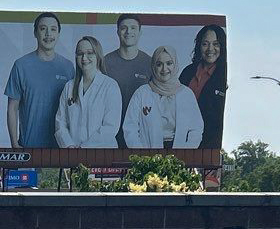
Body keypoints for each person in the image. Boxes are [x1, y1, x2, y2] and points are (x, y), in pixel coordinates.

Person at [5, 13, 76, 149]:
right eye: (43, 29)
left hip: (62, 148)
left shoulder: (68, 67)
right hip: (29, 147)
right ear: (35, 33)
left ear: (58, 33)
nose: (48, 34)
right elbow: (12, 108)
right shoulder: (21, 65)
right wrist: (14, 143)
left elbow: (74, 110)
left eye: (53, 29)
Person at [120, 46, 204, 149]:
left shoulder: (186, 94)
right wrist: (142, 154)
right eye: (159, 64)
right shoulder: (142, 93)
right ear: (153, 67)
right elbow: (130, 128)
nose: (164, 69)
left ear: (175, 65)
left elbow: (196, 128)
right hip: (147, 157)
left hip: (180, 156)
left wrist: (186, 153)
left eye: (169, 63)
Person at [53, 36, 121, 149]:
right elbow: (60, 122)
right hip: (72, 154)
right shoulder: (69, 87)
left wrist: (84, 149)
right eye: (80, 53)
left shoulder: (110, 86)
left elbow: (110, 127)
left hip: (102, 155)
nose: (84, 58)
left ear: (98, 55)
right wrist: (69, 146)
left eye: (90, 53)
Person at [99, 14, 151, 146]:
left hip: (140, 136)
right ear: (117, 31)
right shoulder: (105, 62)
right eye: (124, 28)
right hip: (109, 134)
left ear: (140, 32)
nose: (128, 32)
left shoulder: (150, 63)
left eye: (133, 28)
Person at [179, 24, 227, 150]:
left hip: (209, 144)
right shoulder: (187, 72)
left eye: (216, 44)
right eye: (205, 44)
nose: (210, 49)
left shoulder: (224, 75)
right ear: (199, 46)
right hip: (182, 140)